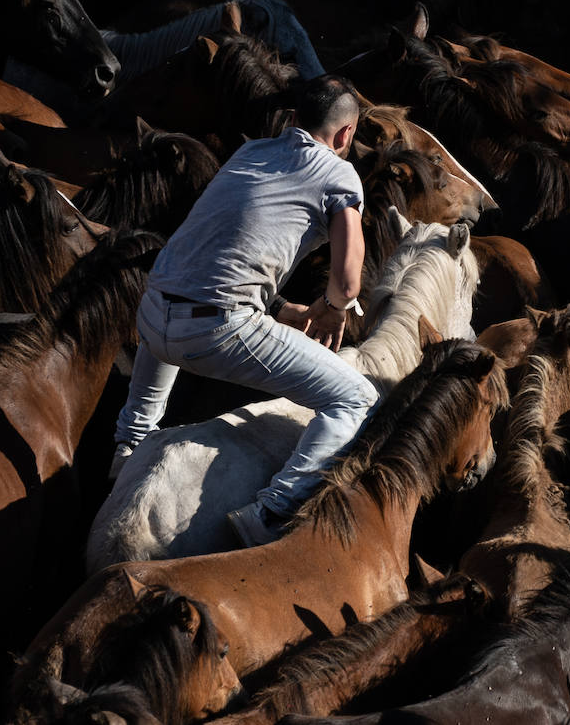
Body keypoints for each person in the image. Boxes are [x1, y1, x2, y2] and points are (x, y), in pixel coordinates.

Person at [110, 74, 378, 547]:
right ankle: (271, 514)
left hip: (151, 318)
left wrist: (279, 307)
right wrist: (332, 307)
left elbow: (213, 246)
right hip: (216, 330)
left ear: (292, 120)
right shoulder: (340, 173)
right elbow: (348, 280)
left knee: (170, 317)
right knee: (355, 399)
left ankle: (128, 445)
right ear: (345, 136)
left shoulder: (249, 152)